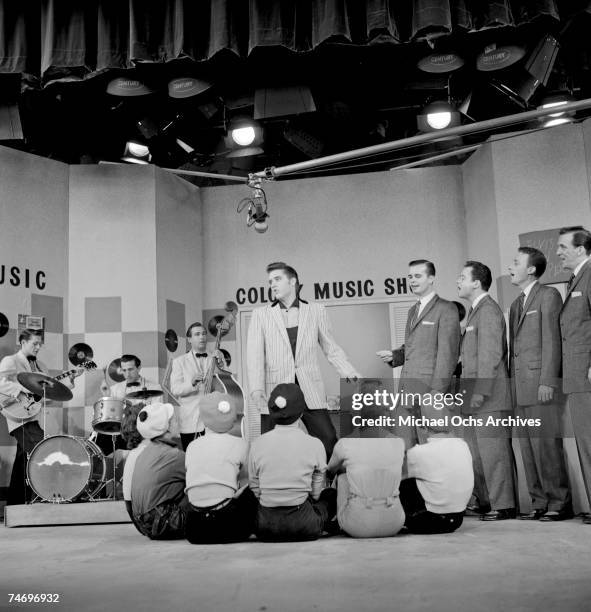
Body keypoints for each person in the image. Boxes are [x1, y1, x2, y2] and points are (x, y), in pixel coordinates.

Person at [247, 262, 360, 458]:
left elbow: (330, 347)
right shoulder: (260, 314)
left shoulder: (317, 310)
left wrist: (348, 371)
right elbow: (254, 355)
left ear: (293, 281)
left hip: (309, 387)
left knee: (328, 441)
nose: (272, 284)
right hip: (275, 390)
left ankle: (328, 487)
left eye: (277, 279)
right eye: (270, 281)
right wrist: (256, 388)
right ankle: (273, 487)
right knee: (269, 448)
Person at [508, 246, 571, 521]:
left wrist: (548, 381)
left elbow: (553, 342)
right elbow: (514, 351)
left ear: (531, 269)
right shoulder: (514, 304)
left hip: (540, 385)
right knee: (528, 450)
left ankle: (559, 502)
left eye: (516, 262)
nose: (511, 267)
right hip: (519, 388)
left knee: (546, 447)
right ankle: (539, 502)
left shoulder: (549, 295)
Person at [377, 259, 460, 446]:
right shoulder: (412, 311)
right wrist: (395, 355)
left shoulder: (446, 309)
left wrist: (436, 393)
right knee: (408, 448)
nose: (412, 280)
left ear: (431, 278)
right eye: (410, 277)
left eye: (417, 276)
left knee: (432, 447)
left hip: (429, 392)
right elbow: (412, 347)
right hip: (407, 391)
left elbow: (448, 355)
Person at [457, 260, 516, 521]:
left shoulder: (489, 311)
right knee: (478, 454)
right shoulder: (475, 311)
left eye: (462, 277)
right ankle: (486, 500)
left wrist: (481, 391)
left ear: (476, 282)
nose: (458, 281)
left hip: (489, 397)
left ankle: (503, 505)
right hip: (473, 396)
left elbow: (490, 356)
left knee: (494, 452)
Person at [0, 329, 80, 505]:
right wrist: (24, 391)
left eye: (40, 344)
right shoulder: (11, 360)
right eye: (34, 343)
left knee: (23, 460)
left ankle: (15, 504)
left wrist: (72, 378)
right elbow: (1, 384)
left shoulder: (41, 367)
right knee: (43, 450)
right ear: (22, 342)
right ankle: (55, 494)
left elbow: (50, 391)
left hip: (32, 415)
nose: (38, 347)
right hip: (18, 417)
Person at [249, 383, 337, 542]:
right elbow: (316, 489)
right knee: (330, 495)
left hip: (265, 526)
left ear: (271, 411)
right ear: (302, 411)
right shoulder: (314, 443)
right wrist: (312, 498)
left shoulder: (257, 444)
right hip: (304, 524)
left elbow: (254, 486)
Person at [327, 382, 405, 538]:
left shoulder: (345, 444)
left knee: (343, 477)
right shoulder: (399, 442)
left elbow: (329, 471)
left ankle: (337, 522)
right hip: (395, 523)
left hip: (358, 526)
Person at [184, 392, 256, 544]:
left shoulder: (191, 446)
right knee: (253, 488)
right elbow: (246, 482)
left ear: (203, 418)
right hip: (228, 526)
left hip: (194, 529)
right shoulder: (241, 444)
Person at [556, 226, 591, 525]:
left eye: (563, 246)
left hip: (587, 373)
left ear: (580, 249)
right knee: (585, 441)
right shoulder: (574, 279)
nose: (558, 252)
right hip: (577, 375)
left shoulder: (590, 274)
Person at [400, 402, 474, 534]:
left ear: (422, 427)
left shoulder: (419, 452)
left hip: (428, 521)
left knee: (401, 483)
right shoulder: (463, 445)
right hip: (456, 521)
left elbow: (394, 476)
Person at [122, 402, 188, 539]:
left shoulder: (144, 452)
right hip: (162, 524)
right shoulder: (174, 455)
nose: (178, 421)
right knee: (199, 487)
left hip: (142, 524)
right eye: (174, 419)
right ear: (167, 428)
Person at [170, 322, 226, 451]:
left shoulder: (215, 357)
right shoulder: (180, 362)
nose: (202, 337)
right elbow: (175, 389)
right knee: (191, 460)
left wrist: (221, 364)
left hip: (213, 419)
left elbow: (224, 383)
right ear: (189, 339)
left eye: (204, 334)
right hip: (190, 421)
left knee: (213, 457)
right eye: (197, 334)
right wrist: (192, 383)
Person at [97, 354, 161, 456]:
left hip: (143, 433)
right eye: (124, 370)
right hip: (121, 433)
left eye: (130, 369)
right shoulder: (114, 389)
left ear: (139, 368)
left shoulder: (154, 387)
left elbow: (158, 415)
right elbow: (110, 416)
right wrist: (107, 396)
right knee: (102, 437)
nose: (127, 374)